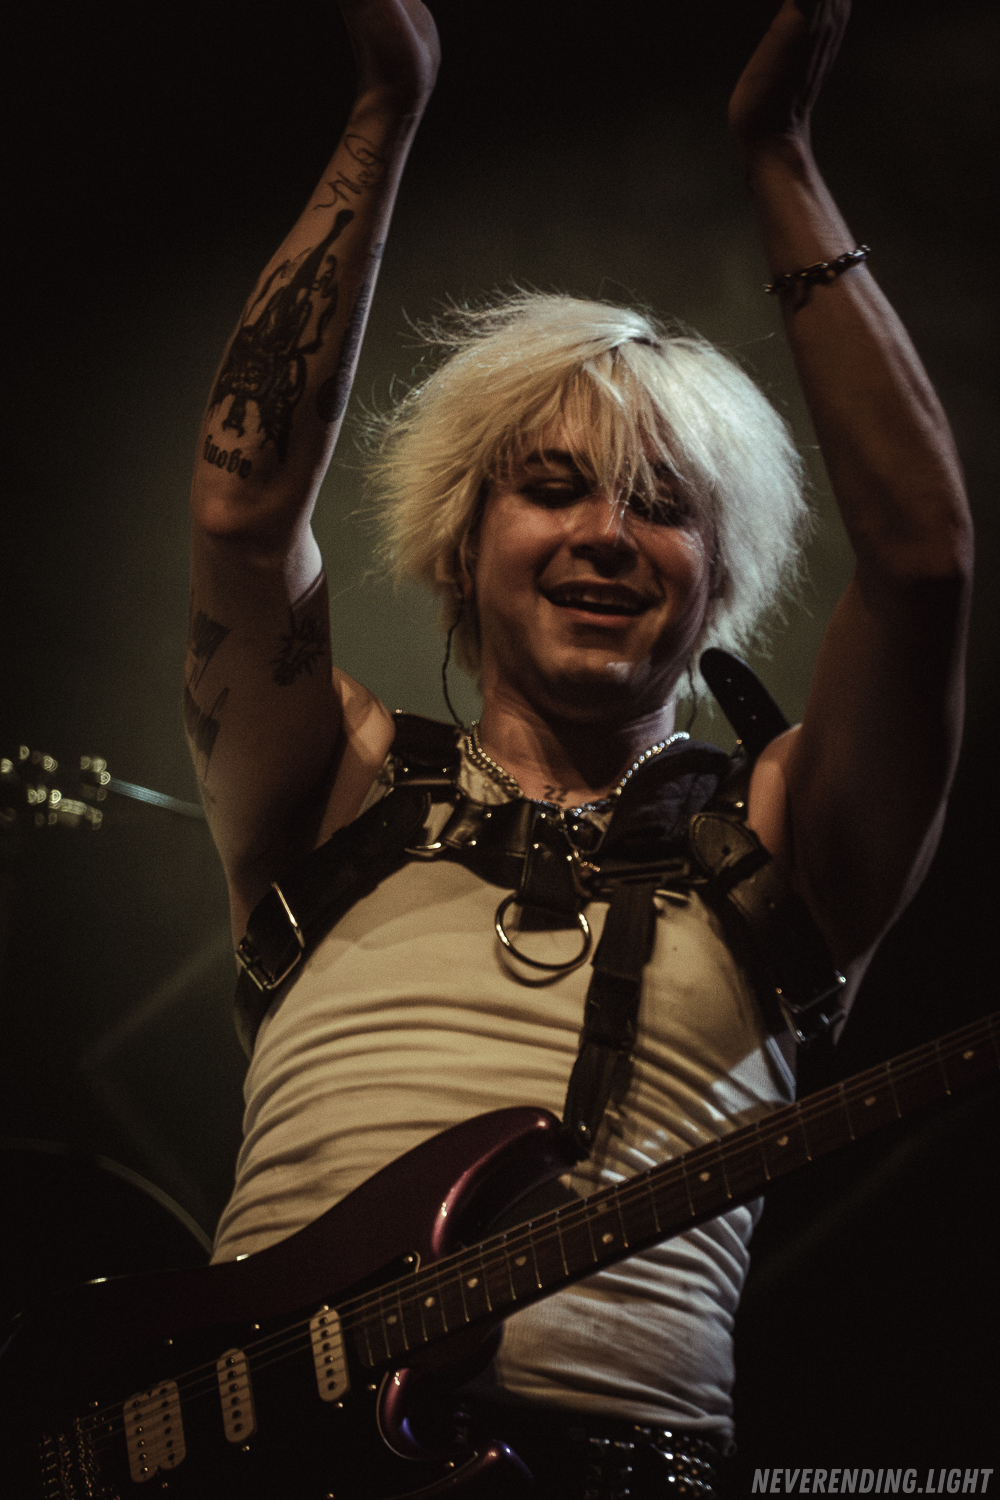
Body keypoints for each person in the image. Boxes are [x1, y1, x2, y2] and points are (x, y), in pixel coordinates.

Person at [185, 1, 972, 1494]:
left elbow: (923, 568)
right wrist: (385, 109)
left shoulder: (791, 834)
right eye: (553, 489)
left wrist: (780, 155)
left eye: (664, 507)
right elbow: (240, 514)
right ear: (461, 541)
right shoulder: (336, 779)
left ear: (719, 579)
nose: (608, 533)